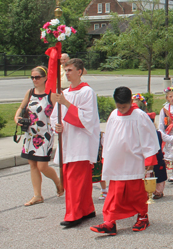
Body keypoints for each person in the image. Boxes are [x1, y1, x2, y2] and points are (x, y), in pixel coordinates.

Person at [89, 87, 173, 235]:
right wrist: (106, 157)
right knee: (114, 194)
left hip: (134, 161)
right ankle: (110, 222)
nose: (121, 109)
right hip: (116, 163)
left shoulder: (139, 116)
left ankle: (142, 217)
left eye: (124, 106)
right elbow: (108, 138)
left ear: (130, 101)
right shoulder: (114, 115)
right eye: (118, 106)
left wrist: (149, 160)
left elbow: (149, 139)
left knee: (136, 193)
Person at [51, 58, 100, 228]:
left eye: (70, 70)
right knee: (80, 180)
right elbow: (55, 115)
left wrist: (65, 102)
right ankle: (87, 209)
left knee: (74, 180)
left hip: (81, 143)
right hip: (67, 140)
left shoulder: (87, 92)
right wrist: (56, 125)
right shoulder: (65, 92)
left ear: (80, 72)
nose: (67, 73)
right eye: (65, 70)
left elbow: (87, 119)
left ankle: (73, 214)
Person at [14, 66, 62, 206]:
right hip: (30, 133)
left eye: (37, 77)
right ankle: (37, 195)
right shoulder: (30, 93)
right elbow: (22, 107)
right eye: (32, 77)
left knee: (42, 166)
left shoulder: (51, 94)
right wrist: (17, 117)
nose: (34, 80)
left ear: (45, 77)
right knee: (32, 164)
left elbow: (59, 112)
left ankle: (58, 181)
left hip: (45, 134)